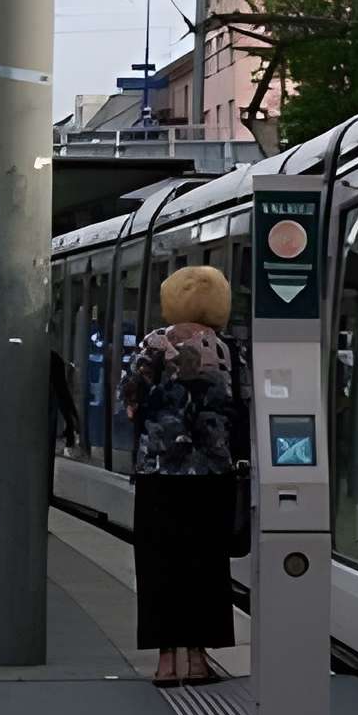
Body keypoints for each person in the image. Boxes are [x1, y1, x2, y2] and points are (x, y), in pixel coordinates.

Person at [120, 265, 244, 687]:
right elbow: (242, 406)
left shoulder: (154, 343)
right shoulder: (230, 348)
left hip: (159, 472)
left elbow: (130, 399)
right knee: (206, 565)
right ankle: (197, 659)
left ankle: (165, 662)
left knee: (159, 565)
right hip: (213, 473)